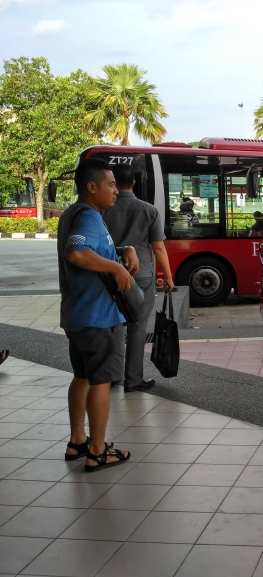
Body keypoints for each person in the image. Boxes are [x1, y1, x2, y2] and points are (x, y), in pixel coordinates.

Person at [58, 158, 133, 472]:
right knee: (101, 381)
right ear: (92, 187)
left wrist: (122, 251)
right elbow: (76, 251)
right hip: (97, 316)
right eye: (111, 184)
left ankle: (78, 440)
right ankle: (98, 450)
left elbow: (92, 249)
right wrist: (116, 267)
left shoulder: (75, 214)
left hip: (77, 315)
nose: (116, 190)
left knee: (83, 376)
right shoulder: (88, 216)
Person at [102, 163, 174, 393]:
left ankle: (111, 375)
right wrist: (168, 277)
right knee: (137, 327)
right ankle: (133, 379)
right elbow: (159, 248)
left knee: (112, 325)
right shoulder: (148, 210)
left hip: (108, 275)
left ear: (113, 182)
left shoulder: (101, 209)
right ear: (133, 182)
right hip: (140, 276)